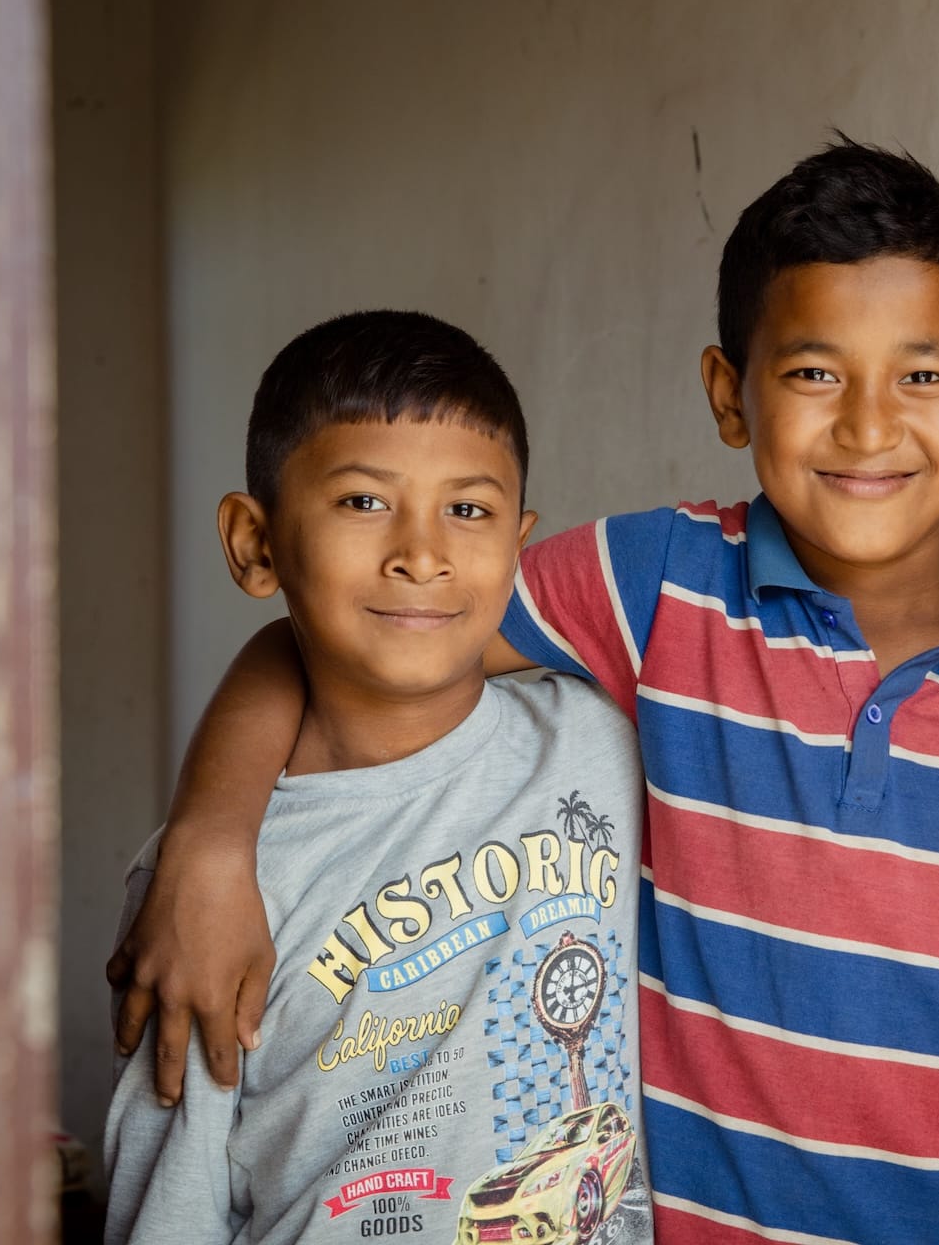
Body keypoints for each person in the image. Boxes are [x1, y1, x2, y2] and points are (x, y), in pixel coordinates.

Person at [117, 138, 939, 1243]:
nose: (870, 424)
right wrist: (211, 838)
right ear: (730, 395)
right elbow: (363, 628)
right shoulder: (656, 588)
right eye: (814, 372)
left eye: (922, 374)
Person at [103, 311, 656, 1244]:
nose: (422, 553)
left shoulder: (602, 742)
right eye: (363, 502)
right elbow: (173, 1207)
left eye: (468, 510)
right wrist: (208, 841)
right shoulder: (209, 897)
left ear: (520, 542)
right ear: (255, 542)